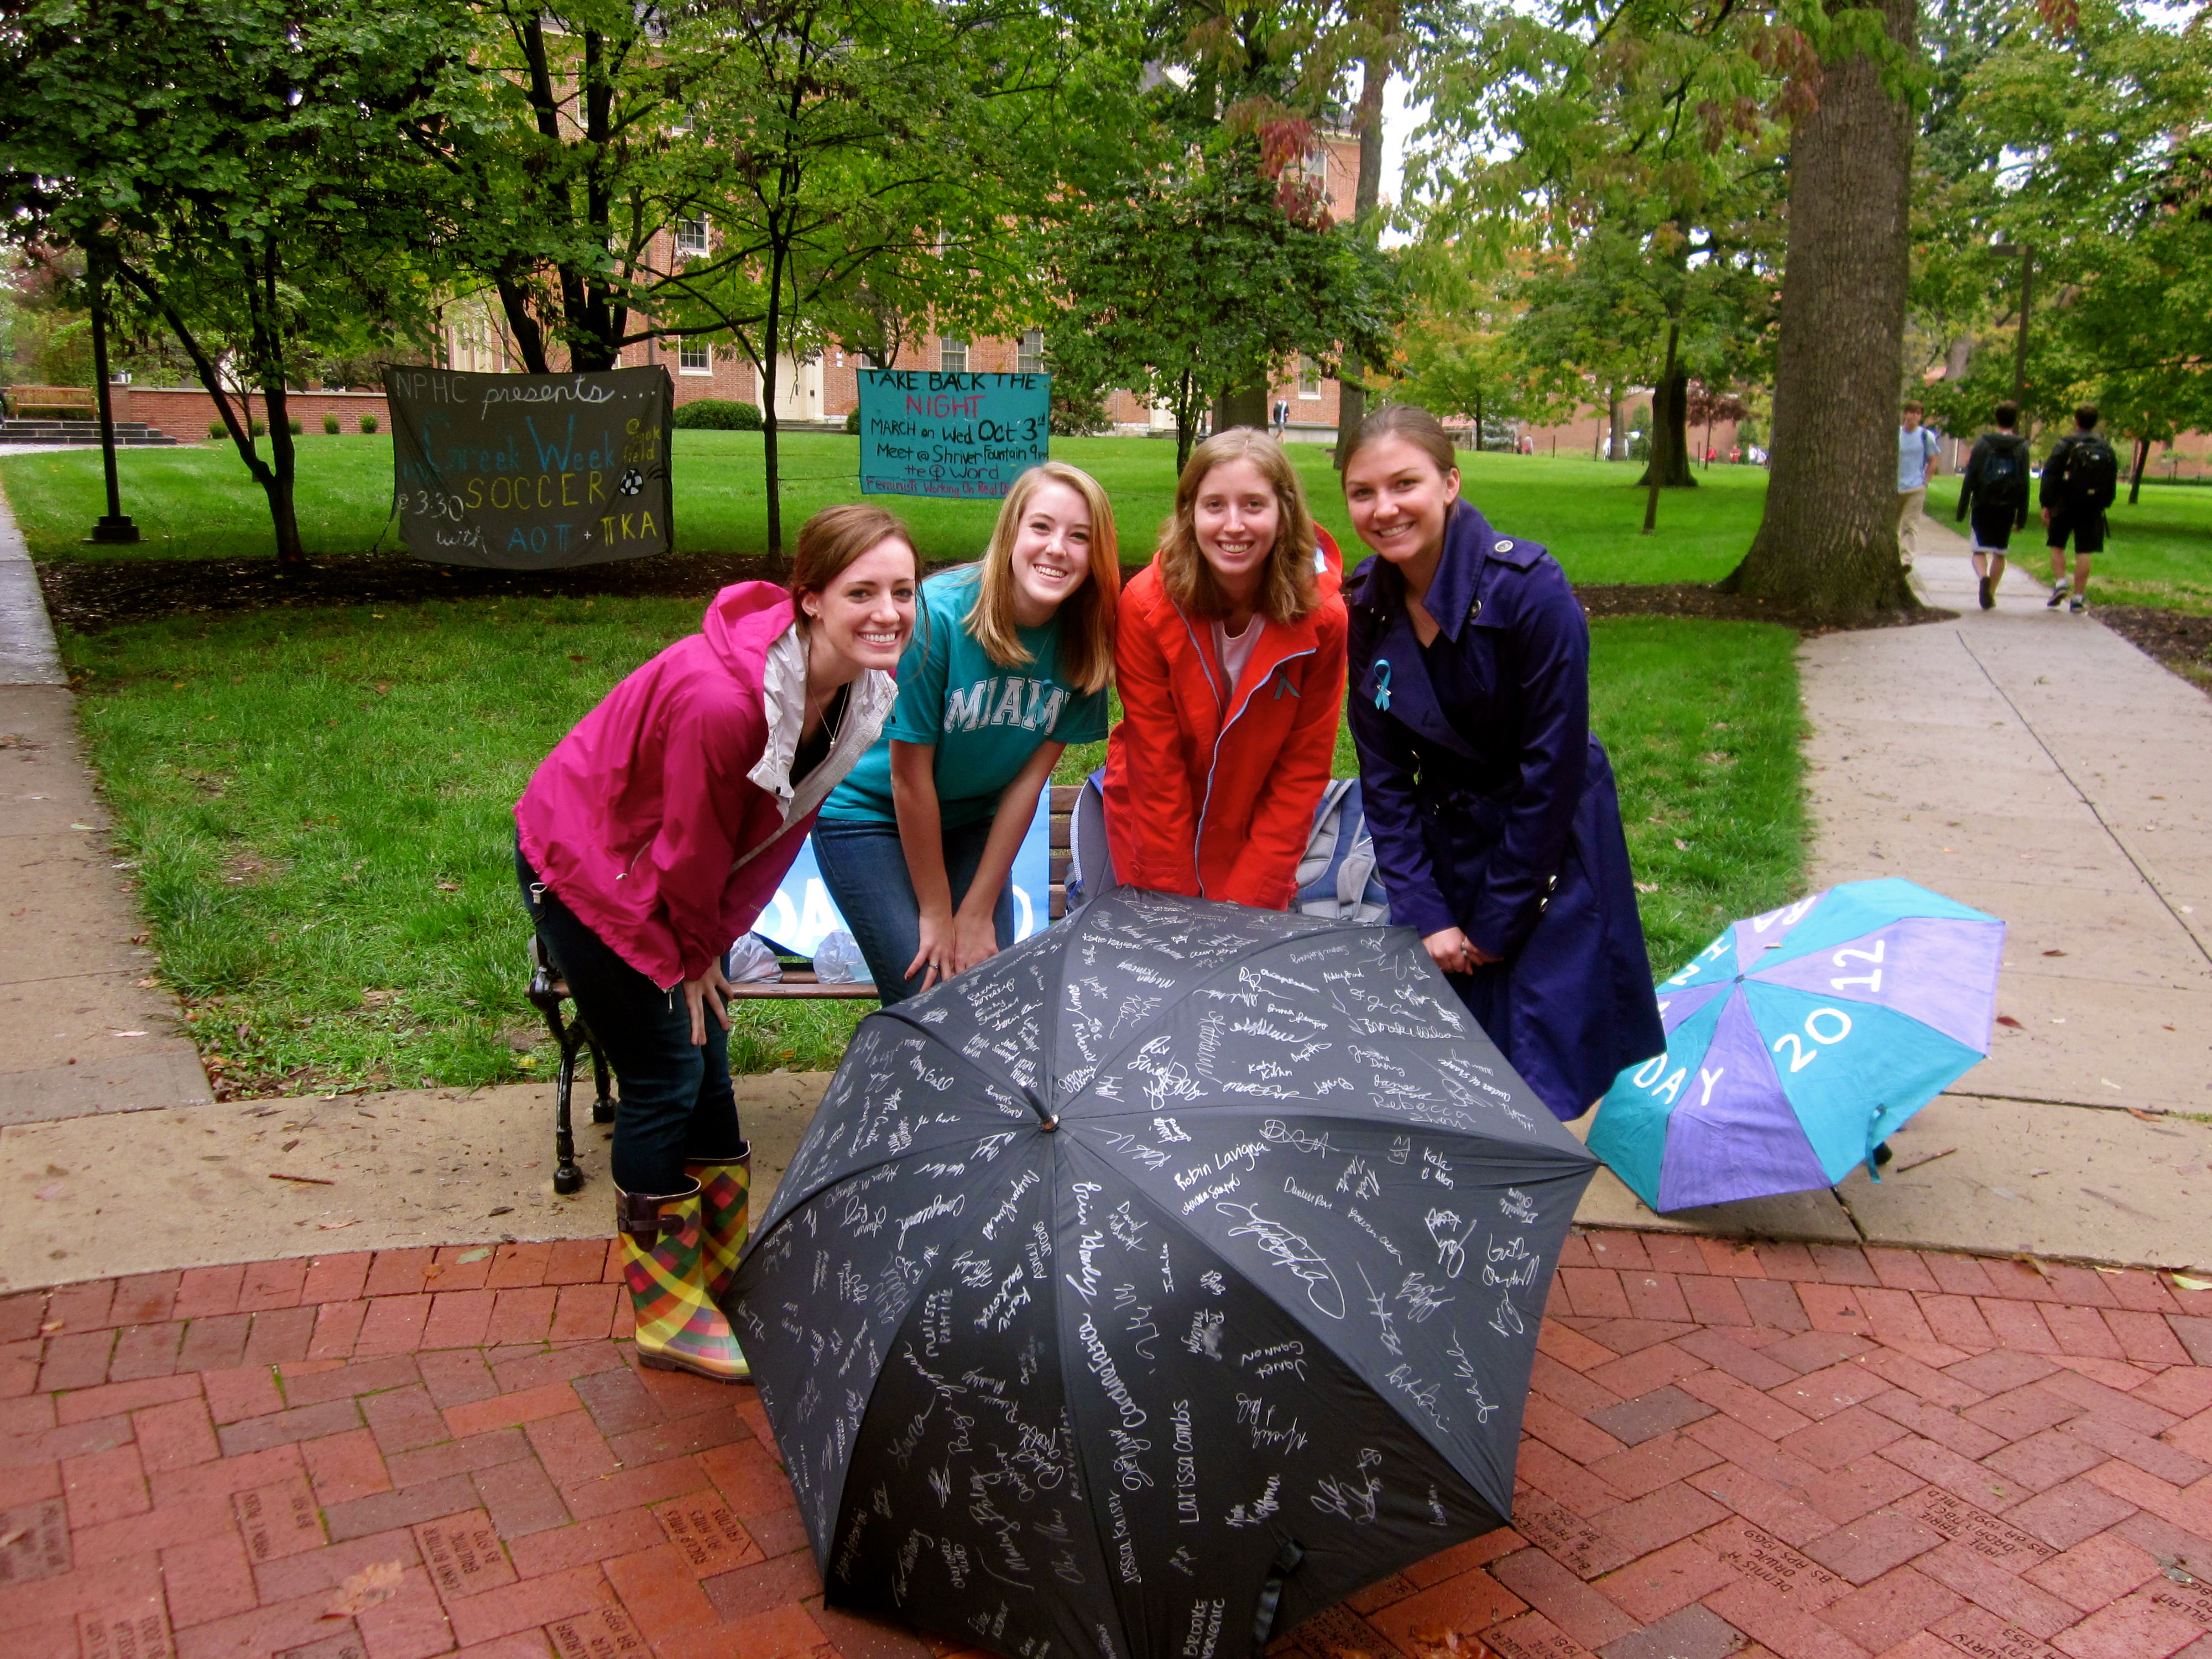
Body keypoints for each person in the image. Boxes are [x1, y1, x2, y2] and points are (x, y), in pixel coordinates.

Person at [514, 505, 915, 1379]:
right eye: (862, 592)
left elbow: (773, 837)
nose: (889, 612)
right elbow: (690, 846)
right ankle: (664, 1312)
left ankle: (720, 1271)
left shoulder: (857, 690)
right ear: (809, 599)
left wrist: (712, 945)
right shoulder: (728, 702)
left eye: (902, 591)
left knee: (708, 1050)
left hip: (661, 873)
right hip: (587, 865)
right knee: (666, 1067)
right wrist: (694, 955)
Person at [1339, 404, 1664, 1123]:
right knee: (1448, 1070)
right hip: (1445, 848)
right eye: (1363, 492)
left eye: (1405, 484)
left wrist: (1493, 923)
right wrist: (1429, 915)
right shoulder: (1365, 607)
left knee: (1540, 1073)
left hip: (1549, 849)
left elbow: (1553, 772)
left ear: (1450, 482)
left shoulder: (1530, 590)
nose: (1384, 508)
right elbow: (1385, 777)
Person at [815, 463, 1118, 1000]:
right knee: (926, 987)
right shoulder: (939, 615)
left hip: (972, 820)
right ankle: (895, 1082)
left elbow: (1028, 785)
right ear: (1012, 533)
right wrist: (937, 914)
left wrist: (975, 911)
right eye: (1041, 527)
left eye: (1080, 537)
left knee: (984, 990)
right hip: (869, 812)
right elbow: (909, 779)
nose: (1057, 549)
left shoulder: (1086, 639)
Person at [1103, 427, 1348, 909]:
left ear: (1284, 516)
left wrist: (1250, 895)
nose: (1233, 525)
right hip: (1154, 829)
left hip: (1254, 832)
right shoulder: (1145, 606)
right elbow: (1155, 764)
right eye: (1214, 505)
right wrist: (1173, 902)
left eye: (1253, 505)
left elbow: (1303, 768)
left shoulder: (1324, 620)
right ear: (1189, 513)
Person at [2041, 404, 2120, 613]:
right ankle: (2078, 598)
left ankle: (2060, 583)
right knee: (2084, 550)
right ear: (2095, 422)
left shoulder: (2066, 444)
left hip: (2065, 502)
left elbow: (2051, 473)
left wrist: (2047, 503)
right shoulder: (2105, 447)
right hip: (2092, 505)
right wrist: (2104, 503)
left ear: (2076, 420)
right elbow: (2111, 477)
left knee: (2057, 544)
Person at [1954, 400, 2032, 610]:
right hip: (2007, 506)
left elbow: (1971, 476)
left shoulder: (1983, 444)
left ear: (1996, 418)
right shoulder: (2021, 447)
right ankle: (1991, 593)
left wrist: (1962, 508)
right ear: (2015, 421)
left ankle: (1983, 578)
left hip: (1983, 503)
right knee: (2000, 552)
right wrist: (2022, 516)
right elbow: (2024, 482)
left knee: (1979, 551)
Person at [1896, 400, 1941, 571]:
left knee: (1909, 525)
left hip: (1915, 488)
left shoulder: (1925, 436)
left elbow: (1933, 460)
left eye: (1918, 414)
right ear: (1905, 414)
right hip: (1895, 487)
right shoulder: (1897, 434)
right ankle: (1892, 555)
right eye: (1911, 412)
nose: (1914, 416)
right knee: (1891, 525)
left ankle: (1906, 560)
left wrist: (1925, 482)